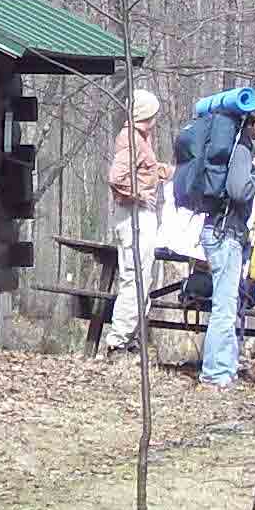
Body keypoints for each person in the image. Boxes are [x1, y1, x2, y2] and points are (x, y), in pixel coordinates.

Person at [197, 97, 255, 389]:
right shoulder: (241, 150)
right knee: (224, 308)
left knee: (225, 306)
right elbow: (237, 190)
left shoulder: (237, 148)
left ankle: (224, 370)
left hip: (220, 231)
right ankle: (215, 374)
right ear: (252, 123)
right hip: (225, 235)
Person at [99, 88, 167, 355]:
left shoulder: (139, 140)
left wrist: (168, 172)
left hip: (136, 215)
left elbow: (145, 169)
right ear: (146, 115)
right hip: (133, 216)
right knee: (135, 278)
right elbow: (117, 177)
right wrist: (139, 195)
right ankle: (118, 341)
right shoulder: (130, 140)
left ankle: (129, 338)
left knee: (141, 277)